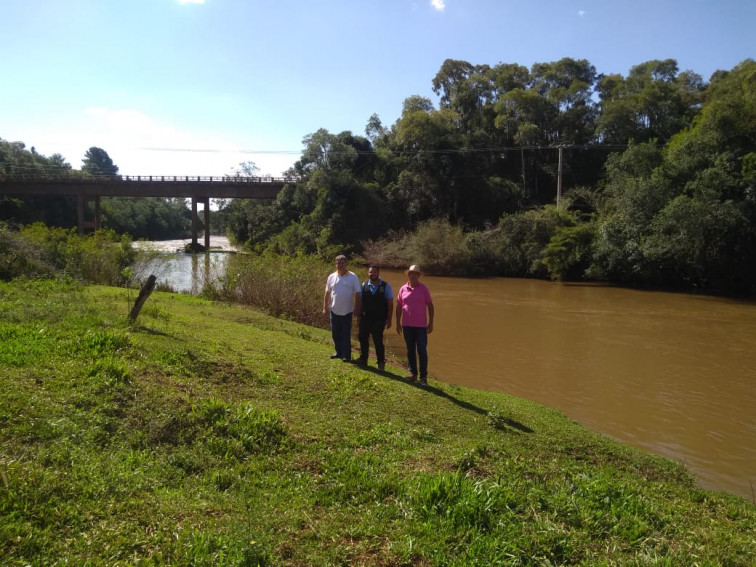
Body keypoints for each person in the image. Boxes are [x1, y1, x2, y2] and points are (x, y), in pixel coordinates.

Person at [395, 264, 434, 386]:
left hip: (421, 327)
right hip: (407, 325)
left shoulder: (424, 289)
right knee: (410, 350)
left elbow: (430, 306)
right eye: (411, 273)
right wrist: (397, 322)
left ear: (418, 276)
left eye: (415, 274)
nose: (413, 275)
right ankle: (413, 373)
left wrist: (431, 322)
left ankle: (423, 377)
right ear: (409, 275)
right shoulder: (403, 289)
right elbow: (399, 306)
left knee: (422, 351)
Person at [323, 254, 361, 362]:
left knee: (345, 334)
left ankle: (346, 355)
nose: (340, 265)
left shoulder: (353, 276)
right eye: (338, 263)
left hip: (347, 311)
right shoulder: (331, 277)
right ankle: (338, 352)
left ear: (346, 264)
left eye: (342, 263)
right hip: (334, 310)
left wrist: (357, 308)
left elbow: (358, 293)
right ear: (335, 264)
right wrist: (325, 307)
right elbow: (327, 293)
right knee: (335, 333)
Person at [356, 265, 393, 371]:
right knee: (363, 338)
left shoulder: (386, 286)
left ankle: (381, 362)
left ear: (379, 273)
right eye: (371, 272)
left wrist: (389, 319)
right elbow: (361, 302)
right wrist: (358, 316)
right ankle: (363, 359)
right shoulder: (364, 285)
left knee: (377, 340)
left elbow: (390, 303)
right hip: (366, 317)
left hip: (379, 319)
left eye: (375, 272)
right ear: (368, 273)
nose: (373, 274)